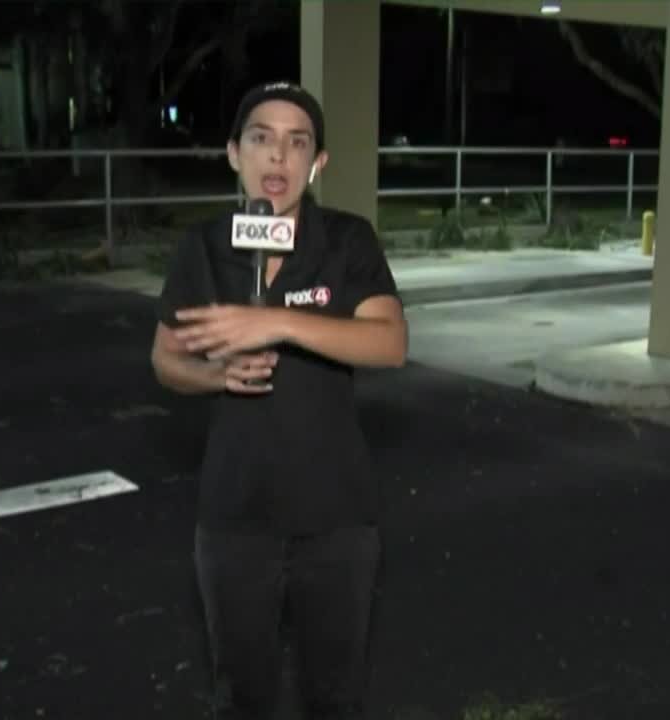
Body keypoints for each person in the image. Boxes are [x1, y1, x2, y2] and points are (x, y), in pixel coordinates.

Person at [150, 80, 408, 719]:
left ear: (317, 163)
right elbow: (165, 359)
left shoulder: (347, 240)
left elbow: (390, 343)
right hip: (233, 516)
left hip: (337, 519)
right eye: (261, 139)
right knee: (241, 697)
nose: (278, 158)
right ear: (234, 153)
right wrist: (217, 377)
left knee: (335, 697)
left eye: (298, 144)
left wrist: (281, 322)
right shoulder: (203, 247)